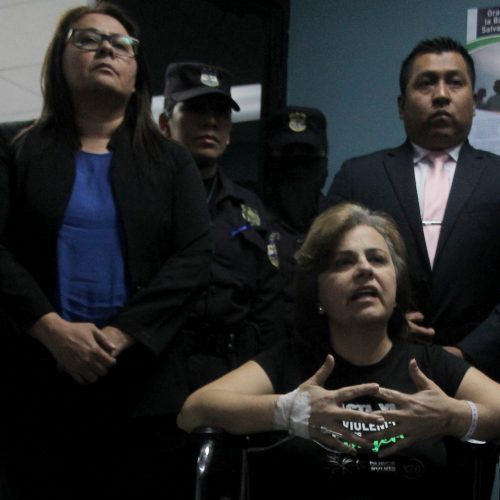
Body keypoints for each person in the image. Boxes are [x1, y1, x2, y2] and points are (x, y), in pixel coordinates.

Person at [0, 4, 211, 499]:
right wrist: (52, 331)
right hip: (37, 385)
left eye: (121, 44)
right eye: (88, 39)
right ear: (60, 60)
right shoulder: (16, 149)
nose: (106, 50)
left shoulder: (172, 162)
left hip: (144, 393)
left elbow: (194, 258)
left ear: (137, 73)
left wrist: (119, 336)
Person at [178, 202, 500, 500]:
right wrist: (288, 411)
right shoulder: (290, 361)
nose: (364, 269)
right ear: (317, 294)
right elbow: (193, 412)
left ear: (396, 286)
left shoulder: (429, 364)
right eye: (344, 262)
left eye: (377, 259)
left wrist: (450, 417)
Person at [323, 37, 500, 383]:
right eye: (426, 83)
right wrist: (383, 320)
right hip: (374, 369)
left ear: (474, 102)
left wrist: (467, 353)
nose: (441, 95)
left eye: (455, 82)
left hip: (485, 375)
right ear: (402, 106)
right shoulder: (358, 177)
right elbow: (321, 269)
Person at [159, 61, 285, 390]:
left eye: (221, 113)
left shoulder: (250, 210)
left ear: (229, 133)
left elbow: (268, 304)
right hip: (154, 370)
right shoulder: (142, 199)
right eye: (196, 109)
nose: (211, 121)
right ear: (165, 124)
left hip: (231, 372)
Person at [263, 106, 328, 328]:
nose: (298, 167)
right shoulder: (249, 223)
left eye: (307, 158)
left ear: (323, 161)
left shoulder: (340, 227)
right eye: (288, 157)